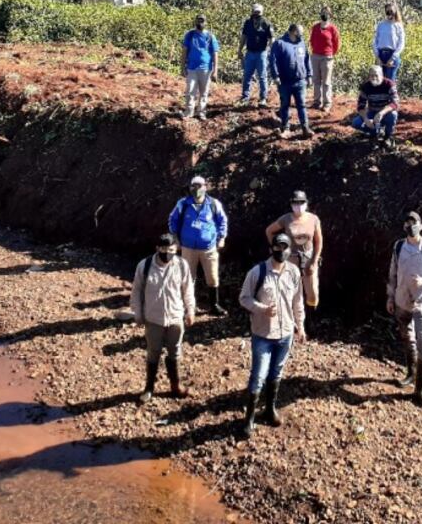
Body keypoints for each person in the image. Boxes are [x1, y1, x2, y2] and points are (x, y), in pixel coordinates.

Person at [238, 233, 306, 438]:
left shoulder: (294, 272)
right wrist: (261, 309)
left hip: (286, 333)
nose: (281, 251)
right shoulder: (257, 273)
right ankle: (249, 418)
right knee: (258, 376)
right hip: (263, 334)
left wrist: (300, 326)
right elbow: (244, 298)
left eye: (285, 248)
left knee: (276, 374)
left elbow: (298, 302)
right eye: (277, 248)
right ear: (271, 249)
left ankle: (269, 409)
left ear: (289, 250)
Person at [130, 233, 196, 403]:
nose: (167, 253)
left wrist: (190, 310)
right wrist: (137, 312)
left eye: (171, 250)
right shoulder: (144, 266)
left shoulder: (182, 265)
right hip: (153, 319)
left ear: (177, 249)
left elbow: (188, 289)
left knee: (175, 352)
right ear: (157, 248)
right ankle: (149, 388)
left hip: (175, 317)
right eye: (164, 249)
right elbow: (136, 291)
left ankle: (176, 386)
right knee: (153, 353)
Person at [386, 211, 422, 407]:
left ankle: (419, 391)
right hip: (402, 302)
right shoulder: (399, 246)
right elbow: (392, 273)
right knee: (408, 339)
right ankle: (410, 374)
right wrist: (390, 297)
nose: (411, 226)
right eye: (408, 223)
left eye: (414, 222)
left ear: (421, 225)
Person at [168, 176, 229, 315]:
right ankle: (188, 306)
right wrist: (175, 238)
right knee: (188, 277)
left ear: (205, 187)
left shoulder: (214, 204)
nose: (196, 189)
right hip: (188, 248)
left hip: (209, 248)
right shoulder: (183, 204)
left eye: (199, 186)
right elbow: (173, 220)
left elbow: (222, 221)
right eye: (193, 186)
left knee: (212, 277)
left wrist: (222, 237)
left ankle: (214, 305)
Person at [265, 190, 323, 331]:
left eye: (301, 202)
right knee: (291, 291)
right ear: (291, 204)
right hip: (290, 259)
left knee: (312, 292)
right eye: (295, 202)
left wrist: (314, 261)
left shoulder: (313, 219)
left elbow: (319, 241)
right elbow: (269, 231)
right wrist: (277, 249)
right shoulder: (286, 219)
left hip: (308, 259)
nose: (298, 205)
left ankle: (311, 321)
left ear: (306, 203)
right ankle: (293, 323)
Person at [268, 24, 314, 139]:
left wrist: (309, 75)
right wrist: (275, 76)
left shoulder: (302, 43)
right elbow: (272, 61)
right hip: (284, 81)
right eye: (299, 32)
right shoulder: (279, 43)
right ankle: (285, 128)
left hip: (300, 81)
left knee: (302, 105)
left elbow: (307, 59)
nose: (301, 35)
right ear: (293, 31)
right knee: (285, 105)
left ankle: (305, 128)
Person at [180, 14, 220, 120]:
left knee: (204, 92)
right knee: (190, 91)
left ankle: (201, 112)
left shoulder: (210, 36)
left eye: (202, 21)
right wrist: (182, 66)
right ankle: (189, 111)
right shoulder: (190, 35)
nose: (200, 23)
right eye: (198, 21)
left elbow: (215, 53)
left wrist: (215, 70)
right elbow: (184, 51)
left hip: (206, 68)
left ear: (205, 22)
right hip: (192, 67)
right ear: (195, 21)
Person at [351, 65, 400, 149]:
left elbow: (395, 103)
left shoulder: (389, 84)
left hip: (385, 112)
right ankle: (374, 135)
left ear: (381, 75)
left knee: (393, 115)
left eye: (376, 75)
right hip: (372, 112)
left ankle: (387, 137)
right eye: (371, 75)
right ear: (369, 76)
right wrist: (366, 119)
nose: (374, 78)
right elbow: (360, 106)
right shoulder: (366, 87)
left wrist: (381, 113)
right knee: (356, 123)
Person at [238, 3, 275, 107]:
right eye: (255, 11)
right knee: (247, 76)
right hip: (249, 53)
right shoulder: (247, 23)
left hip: (261, 53)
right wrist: (240, 49)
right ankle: (245, 97)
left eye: (258, 12)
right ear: (252, 11)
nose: (256, 13)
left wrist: (272, 51)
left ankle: (263, 98)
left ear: (262, 12)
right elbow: (243, 36)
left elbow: (271, 38)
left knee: (262, 76)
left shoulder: (266, 23)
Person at [309, 7, 341, 112]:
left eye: (327, 13)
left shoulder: (333, 29)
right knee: (316, 80)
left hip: (327, 57)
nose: (324, 14)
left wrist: (331, 53)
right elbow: (312, 40)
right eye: (323, 12)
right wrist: (314, 51)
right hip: (315, 56)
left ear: (330, 15)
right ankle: (317, 101)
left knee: (326, 81)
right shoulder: (315, 27)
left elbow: (337, 44)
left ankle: (327, 103)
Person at [372, 2, 405, 82]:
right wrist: (377, 56)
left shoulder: (398, 26)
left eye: (391, 11)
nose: (389, 13)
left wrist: (393, 58)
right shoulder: (381, 25)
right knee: (379, 81)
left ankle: (391, 94)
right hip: (381, 54)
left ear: (395, 11)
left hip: (392, 55)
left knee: (389, 81)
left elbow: (401, 43)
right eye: (387, 11)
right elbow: (375, 41)